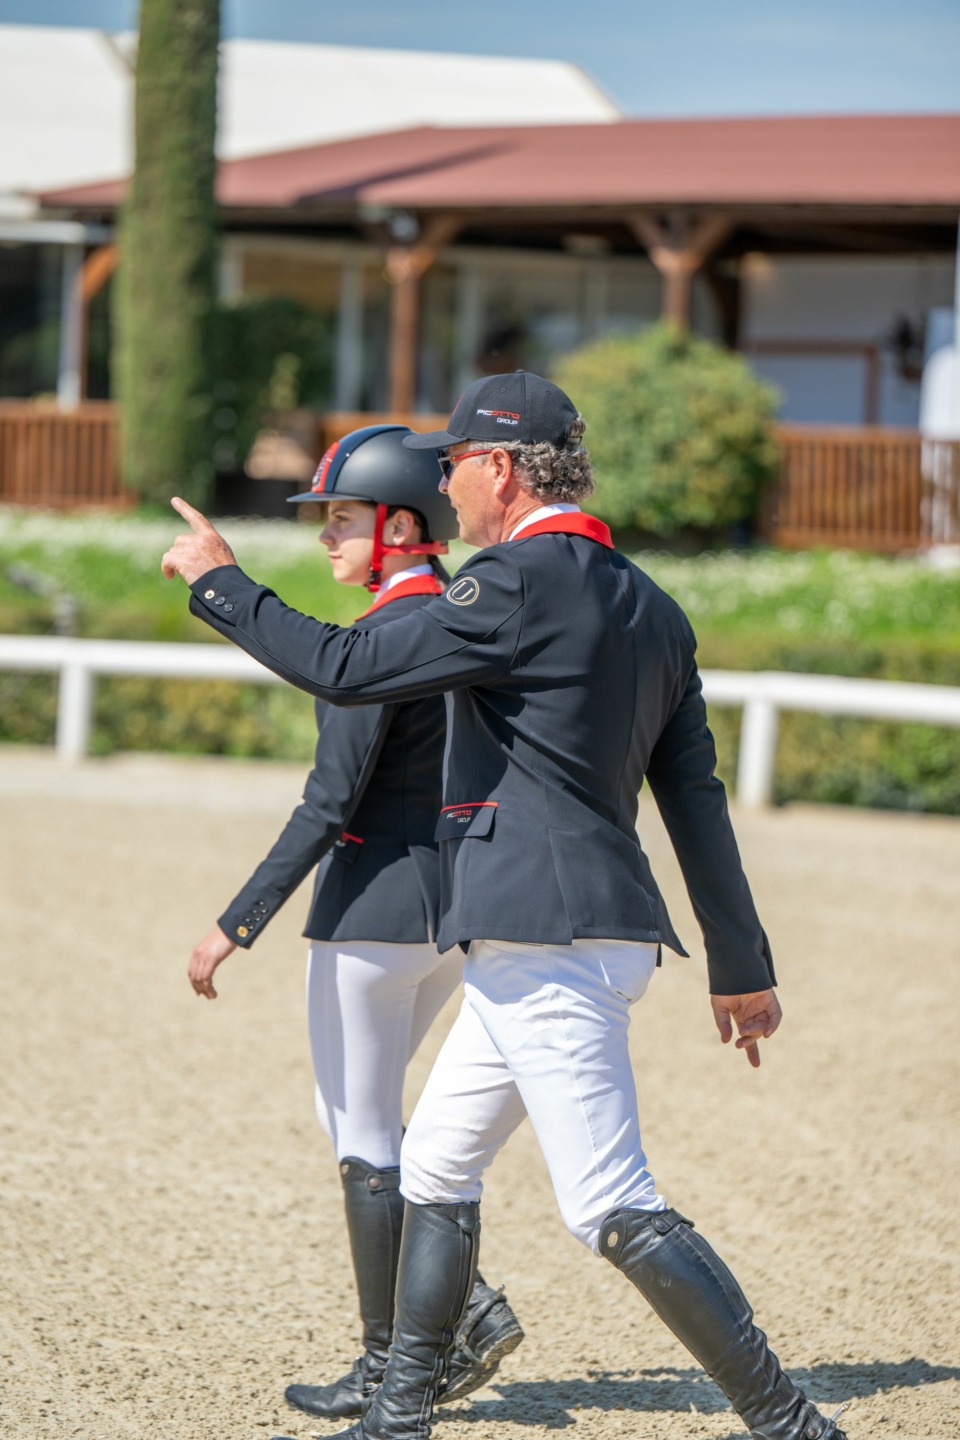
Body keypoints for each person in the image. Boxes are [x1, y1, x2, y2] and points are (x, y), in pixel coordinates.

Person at [162, 372, 849, 1440]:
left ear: (498, 467)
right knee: (434, 1161)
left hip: (546, 936)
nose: (443, 482)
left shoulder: (514, 582)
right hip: (587, 929)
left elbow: (346, 664)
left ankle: (791, 1423)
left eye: (452, 463)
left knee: (611, 1203)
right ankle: (400, 1417)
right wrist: (741, 964)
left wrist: (221, 583)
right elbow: (696, 805)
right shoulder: (652, 607)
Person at [182, 424, 522, 1423]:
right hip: (445, 916)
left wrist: (234, 924)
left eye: (344, 518)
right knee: (370, 1127)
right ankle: (469, 1311)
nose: (328, 538)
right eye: (326, 519)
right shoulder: (455, 623)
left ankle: (392, 1362)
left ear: (404, 527)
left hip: (368, 916)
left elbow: (328, 803)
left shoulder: (384, 637)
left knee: (364, 1138)